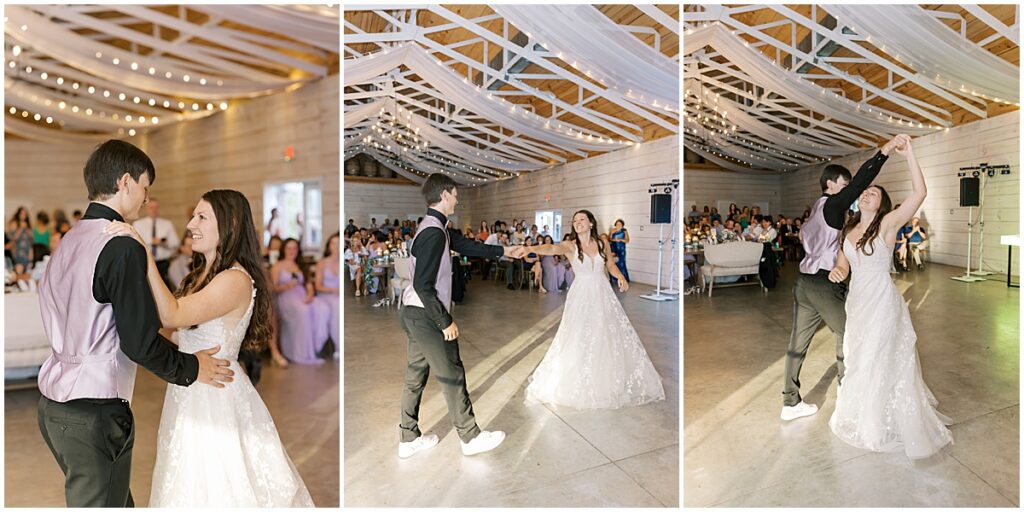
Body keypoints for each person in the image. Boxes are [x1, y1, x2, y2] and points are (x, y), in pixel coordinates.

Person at [36, 140, 232, 507]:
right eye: (145, 186)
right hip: (93, 409)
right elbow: (139, 341)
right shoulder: (121, 245)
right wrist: (191, 367)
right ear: (125, 182)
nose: (146, 198)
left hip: (53, 403)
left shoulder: (70, 239)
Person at [105, 189, 314, 505]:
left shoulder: (235, 280)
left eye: (201, 217)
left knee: (217, 486)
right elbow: (180, 334)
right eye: (193, 216)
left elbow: (171, 313)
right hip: (189, 387)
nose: (190, 225)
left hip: (216, 395)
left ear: (228, 224)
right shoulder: (200, 274)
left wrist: (143, 253)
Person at [827, 137, 952, 459]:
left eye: (873, 193)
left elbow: (920, 193)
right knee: (858, 356)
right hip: (857, 301)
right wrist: (837, 272)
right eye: (865, 191)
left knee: (880, 357)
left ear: (882, 205)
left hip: (882, 300)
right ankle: (866, 415)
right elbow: (843, 264)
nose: (866, 193)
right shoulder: (848, 229)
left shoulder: (887, 224)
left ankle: (883, 420)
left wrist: (909, 154)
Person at [781, 134, 908, 421]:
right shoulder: (833, 205)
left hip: (803, 283)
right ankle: (848, 393)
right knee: (848, 334)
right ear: (832, 185)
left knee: (796, 344)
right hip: (824, 283)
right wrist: (885, 150)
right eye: (845, 185)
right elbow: (863, 179)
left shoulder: (814, 210)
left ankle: (790, 403)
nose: (850, 191)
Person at [397, 174, 525, 459]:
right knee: (452, 374)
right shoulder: (432, 232)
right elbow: (423, 285)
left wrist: (507, 251)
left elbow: (470, 246)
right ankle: (470, 437)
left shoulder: (436, 227)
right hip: (426, 314)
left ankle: (408, 437)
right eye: (455, 194)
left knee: (415, 375)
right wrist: (445, 321)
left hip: (414, 312)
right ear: (444, 194)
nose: (458, 198)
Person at [527, 210, 665, 408]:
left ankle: (606, 376)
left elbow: (609, 264)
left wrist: (620, 277)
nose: (578, 223)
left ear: (591, 222)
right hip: (581, 294)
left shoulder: (601, 242)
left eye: (582, 219)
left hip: (602, 292)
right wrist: (528, 248)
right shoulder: (570, 245)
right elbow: (550, 248)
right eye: (575, 220)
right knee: (579, 333)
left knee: (605, 332)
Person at [271, 238, 328, 364]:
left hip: (302, 294)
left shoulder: (300, 265)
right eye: (289, 248)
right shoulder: (278, 266)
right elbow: (274, 287)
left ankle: (316, 345)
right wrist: (286, 286)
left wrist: (310, 295)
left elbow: (308, 284)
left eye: (295, 248)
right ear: (284, 250)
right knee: (303, 311)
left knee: (321, 307)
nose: (292, 251)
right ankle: (300, 353)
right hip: (286, 296)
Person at [133, 198, 181, 290]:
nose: (154, 210)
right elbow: (136, 242)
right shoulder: (138, 224)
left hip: (164, 263)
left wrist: (163, 243)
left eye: (156, 207)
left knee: (166, 288)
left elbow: (176, 243)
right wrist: (151, 241)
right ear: (146, 208)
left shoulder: (167, 224)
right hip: (146, 262)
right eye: (151, 207)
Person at [315, 233, 341, 358]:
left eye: (338, 243)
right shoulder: (322, 263)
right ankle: (335, 345)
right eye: (333, 243)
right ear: (329, 246)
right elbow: (318, 286)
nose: (336, 246)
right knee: (335, 306)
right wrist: (335, 290)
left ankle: (339, 344)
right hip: (325, 295)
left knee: (338, 305)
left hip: (339, 297)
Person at [609, 219, 630, 289]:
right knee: (615, 263)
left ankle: (623, 278)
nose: (618, 225)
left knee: (622, 262)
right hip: (614, 248)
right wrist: (615, 239)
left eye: (620, 224)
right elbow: (609, 239)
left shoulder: (624, 231)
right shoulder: (613, 230)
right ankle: (615, 279)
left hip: (621, 248)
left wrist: (621, 240)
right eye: (617, 224)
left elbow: (627, 240)